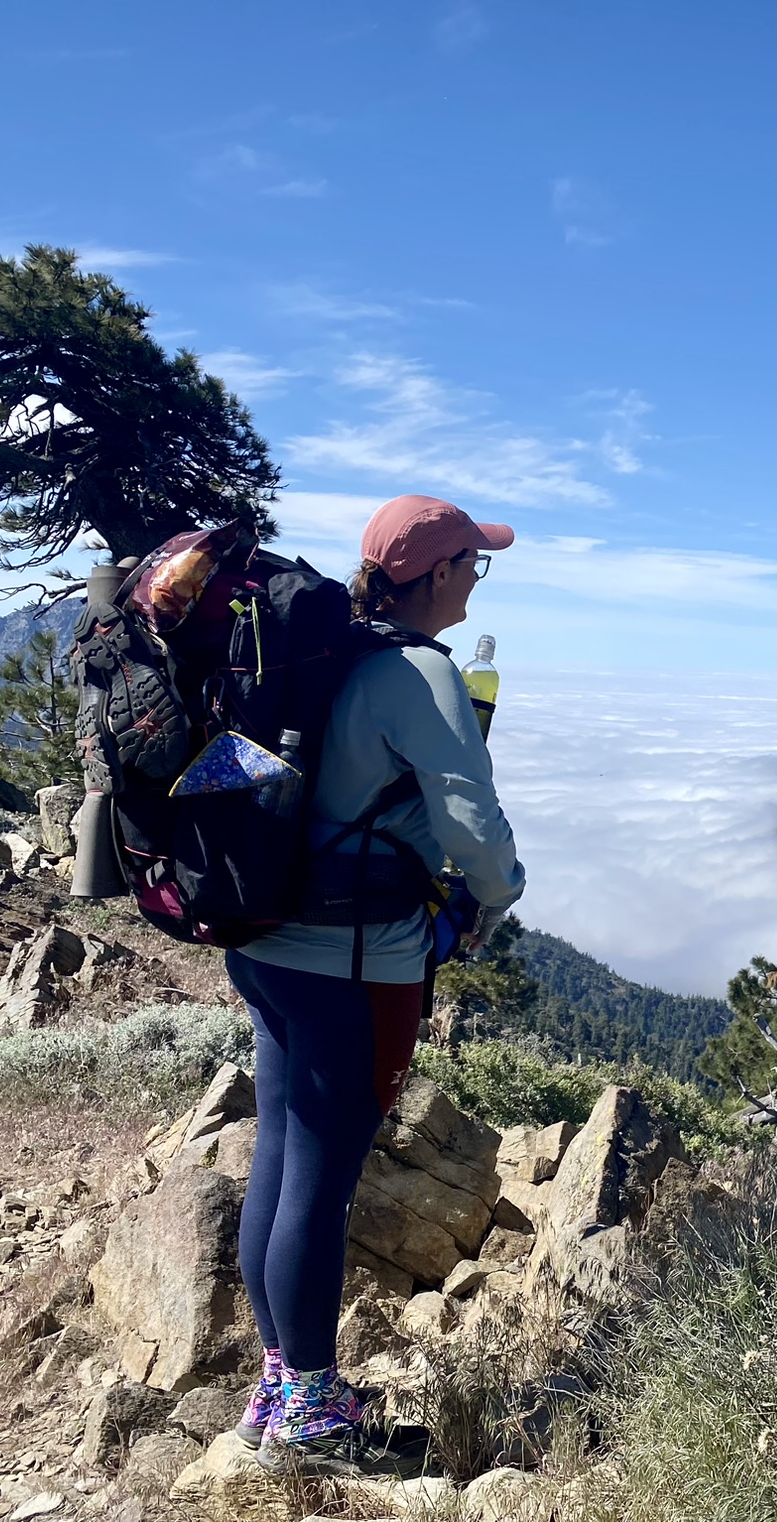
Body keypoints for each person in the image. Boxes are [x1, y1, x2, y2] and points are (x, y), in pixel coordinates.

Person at [227, 494, 526, 1473]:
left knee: (280, 1153)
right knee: (316, 1178)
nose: (476, 581)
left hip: (267, 941)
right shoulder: (416, 675)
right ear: (436, 575)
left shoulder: (325, 651)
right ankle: (311, 1414)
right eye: (471, 567)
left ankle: (282, 1383)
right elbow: (472, 826)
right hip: (351, 963)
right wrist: (496, 898)